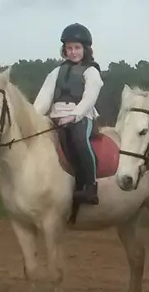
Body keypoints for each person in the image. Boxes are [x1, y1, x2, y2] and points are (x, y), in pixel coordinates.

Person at [33, 23, 105, 205]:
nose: (73, 52)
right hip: (56, 115)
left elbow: (90, 97)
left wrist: (74, 115)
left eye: (77, 48)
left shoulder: (91, 71)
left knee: (79, 140)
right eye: (69, 48)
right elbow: (44, 97)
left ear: (86, 49)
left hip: (82, 116)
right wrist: (33, 117)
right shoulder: (57, 72)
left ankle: (90, 186)